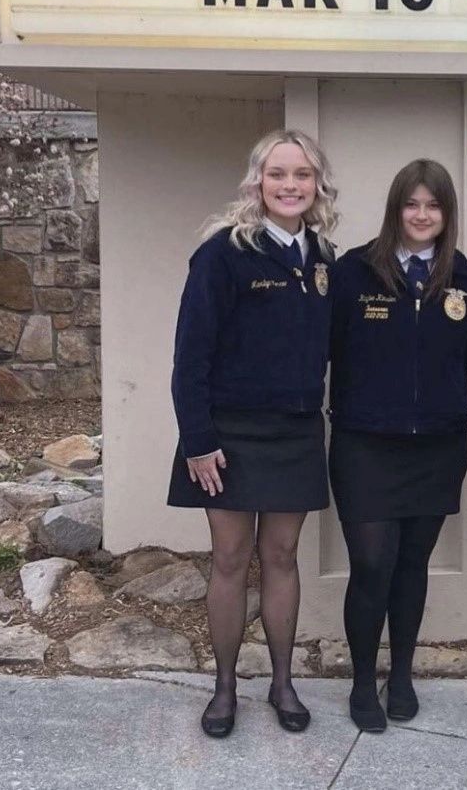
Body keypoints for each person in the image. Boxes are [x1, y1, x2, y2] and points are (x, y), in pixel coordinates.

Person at [168, 129, 339, 739]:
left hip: (293, 434)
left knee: (282, 557)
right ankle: (223, 687)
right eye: (278, 174)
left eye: (301, 175)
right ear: (257, 183)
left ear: (317, 184)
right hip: (227, 437)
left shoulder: (322, 258)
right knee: (231, 560)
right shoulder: (223, 253)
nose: (290, 185)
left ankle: (283, 682)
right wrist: (198, 439)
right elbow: (191, 357)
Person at [328, 159, 467, 733]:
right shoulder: (352, 273)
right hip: (364, 446)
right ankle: (363, 681)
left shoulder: (464, 279)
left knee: (412, 565)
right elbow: (310, 348)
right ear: (396, 209)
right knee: (372, 565)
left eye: (434, 206)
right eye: (412, 204)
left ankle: (401, 677)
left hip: (438, 448)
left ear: (447, 215)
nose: (422, 216)